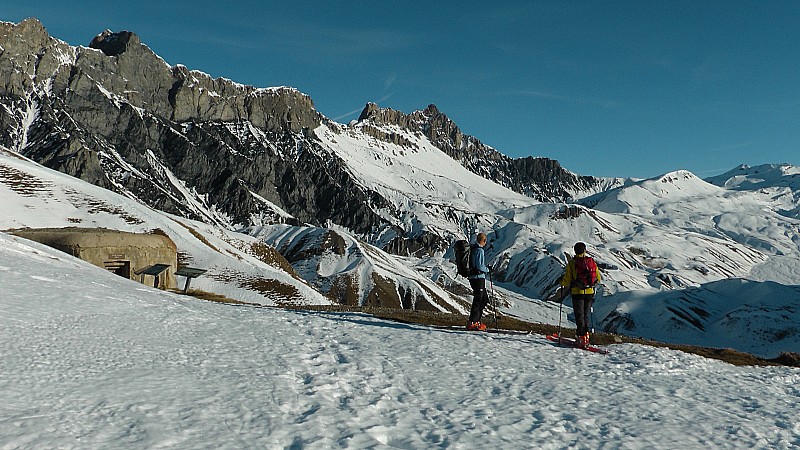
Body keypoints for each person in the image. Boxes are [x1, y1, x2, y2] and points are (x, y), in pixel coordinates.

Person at [559, 242, 601, 348]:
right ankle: (586, 337)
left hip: (578, 292)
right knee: (586, 315)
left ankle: (580, 338)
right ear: (585, 250)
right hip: (590, 292)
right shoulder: (591, 262)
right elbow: (598, 277)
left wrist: (562, 284)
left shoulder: (573, 263)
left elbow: (567, 278)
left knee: (579, 316)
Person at [466, 232, 491, 331]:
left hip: (473, 277)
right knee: (479, 299)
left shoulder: (473, 249)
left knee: (483, 299)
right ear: (484, 241)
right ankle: (473, 322)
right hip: (478, 278)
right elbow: (479, 266)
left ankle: (476, 321)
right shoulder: (479, 250)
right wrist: (488, 270)